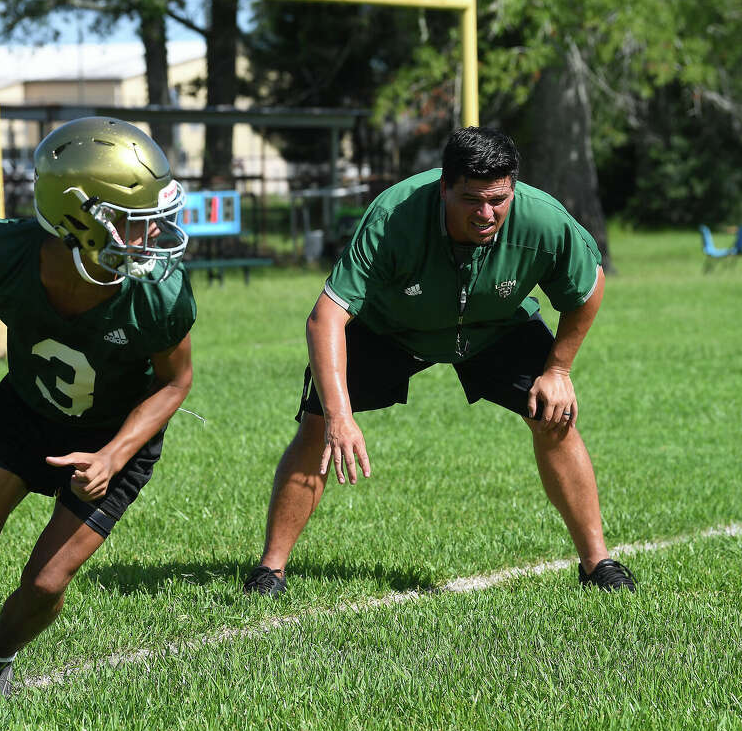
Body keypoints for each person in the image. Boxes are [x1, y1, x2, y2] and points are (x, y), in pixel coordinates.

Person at [0, 117, 196, 700]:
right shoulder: (7, 249)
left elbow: (175, 384)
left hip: (112, 437)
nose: (154, 235)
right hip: (27, 411)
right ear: (81, 219)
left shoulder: (158, 291)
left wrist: (113, 454)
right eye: (136, 220)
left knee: (48, 581)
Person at [243, 126, 635, 597]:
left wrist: (558, 371)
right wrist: (340, 417)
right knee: (317, 425)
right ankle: (270, 570)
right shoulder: (393, 216)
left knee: (554, 419)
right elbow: (325, 318)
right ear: (444, 186)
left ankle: (597, 564)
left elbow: (588, 286)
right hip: (392, 329)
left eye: (499, 198)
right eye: (472, 199)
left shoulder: (543, 220)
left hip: (495, 327)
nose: (487, 213)